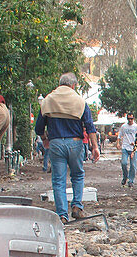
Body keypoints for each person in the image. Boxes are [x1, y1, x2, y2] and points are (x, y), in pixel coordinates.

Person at [34, 73, 100, 224]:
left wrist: (44, 139)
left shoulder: (48, 100)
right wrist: (94, 147)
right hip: (75, 143)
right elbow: (90, 126)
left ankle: (62, 214)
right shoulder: (79, 101)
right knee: (77, 175)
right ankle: (77, 206)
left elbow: (39, 127)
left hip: (56, 142)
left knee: (58, 180)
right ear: (73, 85)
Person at [117, 113, 137, 187]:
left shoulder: (136, 127)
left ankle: (131, 180)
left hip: (133, 148)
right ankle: (125, 176)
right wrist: (118, 143)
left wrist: (135, 143)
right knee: (124, 163)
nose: (130, 120)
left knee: (133, 165)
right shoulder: (124, 126)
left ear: (133, 119)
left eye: (131, 119)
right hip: (125, 147)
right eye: (128, 119)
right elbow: (119, 135)